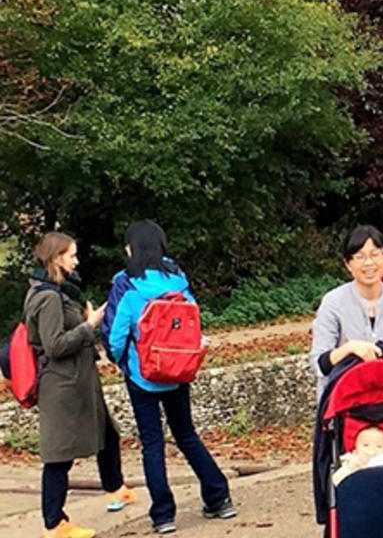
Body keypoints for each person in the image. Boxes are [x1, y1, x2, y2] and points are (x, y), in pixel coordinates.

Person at [104, 221, 236, 534]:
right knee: (186, 434)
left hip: (142, 374)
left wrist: (119, 360)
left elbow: (117, 334)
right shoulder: (178, 280)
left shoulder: (126, 284)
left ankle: (164, 515)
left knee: (152, 444)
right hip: (178, 371)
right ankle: (219, 497)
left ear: (130, 248)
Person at [27, 233, 133, 538]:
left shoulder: (59, 293)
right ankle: (54, 523)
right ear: (57, 258)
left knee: (107, 434)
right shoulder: (47, 298)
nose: (76, 261)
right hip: (62, 387)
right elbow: (55, 345)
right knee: (59, 456)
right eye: (72, 255)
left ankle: (115, 488)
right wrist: (90, 325)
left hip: (78, 381)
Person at [310, 226, 383, 393]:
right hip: (345, 400)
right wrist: (349, 348)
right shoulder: (333, 302)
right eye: (360, 257)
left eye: (375, 255)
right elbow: (318, 363)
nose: (369, 263)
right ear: (348, 264)